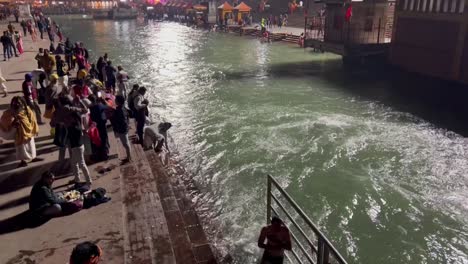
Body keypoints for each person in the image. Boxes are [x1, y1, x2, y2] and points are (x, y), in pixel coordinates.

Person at [1, 96, 39, 167]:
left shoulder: (27, 110)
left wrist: (35, 129)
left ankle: (33, 157)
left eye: (18, 103)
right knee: (21, 148)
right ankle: (23, 161)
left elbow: (33, 120)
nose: (17, 105)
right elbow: (4, 121)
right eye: (15, 103)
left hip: (29, 132)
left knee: (31, 146)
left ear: (22, 103)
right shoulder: (10, 112)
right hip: (18, 134)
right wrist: (13, 123)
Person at [69, 110, 92, 186]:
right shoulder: (78, 124)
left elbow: (70, 137)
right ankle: (77, 179)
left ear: (74, 118)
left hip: (76, 147)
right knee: (74, 163)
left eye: (71, 118)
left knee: (81, 164)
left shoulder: (73, 127)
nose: (70, 119)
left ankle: (88, 180)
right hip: (79, 146)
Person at [111, 95, 131, 164]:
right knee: (126, 143)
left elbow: (121, 121)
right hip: (124, 128)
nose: (115, 100)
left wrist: (118, 129)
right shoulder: (123, 108)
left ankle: (129, 158)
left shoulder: (119, 110)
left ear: (118, 101)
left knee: (125, 144)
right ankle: (129, 156)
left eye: (116, 99)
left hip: (122, 129)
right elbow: (127, 117)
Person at [88, 94, 110, 161]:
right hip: (102, 125)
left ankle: (97, 156)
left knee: (95, 141)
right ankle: (104, 155)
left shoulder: (89, 108)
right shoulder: (99, 105)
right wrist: (103, 100)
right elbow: (108, 106)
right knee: (103, 139)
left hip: (94, 127)